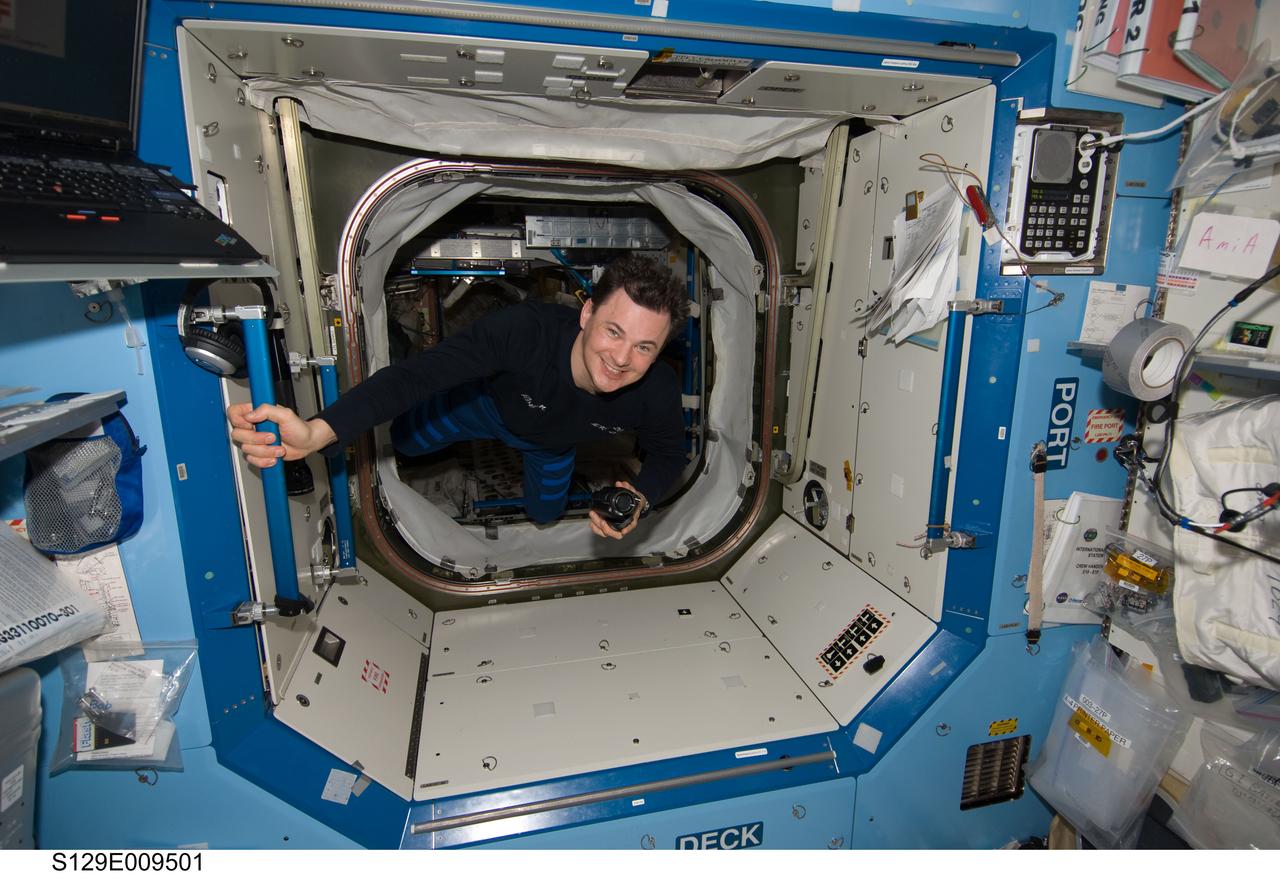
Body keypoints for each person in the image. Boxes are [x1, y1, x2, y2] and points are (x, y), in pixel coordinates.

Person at [227, 253, 689, 539]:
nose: (622, 358)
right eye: (614, 331)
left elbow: (670, 453)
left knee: (545, 515)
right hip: (484, 409)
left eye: (644, 346)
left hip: (551, 445)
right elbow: (414, 378)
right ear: (587, 313)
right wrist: (316, 431)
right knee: (407, 441)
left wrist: (642, 495)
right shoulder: (524, 332)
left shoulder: (655, 389)